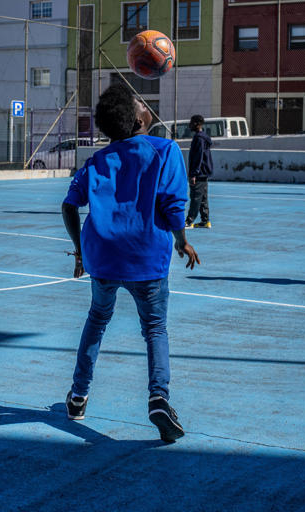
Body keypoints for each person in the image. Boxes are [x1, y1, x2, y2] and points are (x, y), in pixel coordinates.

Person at [61, 84, 200, 443]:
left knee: (97, 319)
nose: (145, 103)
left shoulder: (96, 160)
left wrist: (80, 251)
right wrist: (182, 241)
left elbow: (68, 205)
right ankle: (158, 398)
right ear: (138, 119)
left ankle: (78, 395)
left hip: (103, 258)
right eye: (140, 102)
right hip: (145, 255)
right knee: (154, 328)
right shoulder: (165, 150)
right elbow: (173, 205)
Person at [185, 114, 213, 228]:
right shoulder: (202, 137)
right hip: (203, 172)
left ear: (197, 124)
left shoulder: (199, 138)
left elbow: (198, 156)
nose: (189, 125)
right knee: (202, 198)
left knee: (196, 197)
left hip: (199, 173)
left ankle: (189, 221)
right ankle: (205, 221)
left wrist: (194, 174)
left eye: (191, 122)